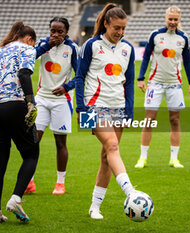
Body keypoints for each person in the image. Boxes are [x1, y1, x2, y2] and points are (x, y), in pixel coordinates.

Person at [75, 3, 138, 219]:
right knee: (112, 145)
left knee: (106, 158)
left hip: (118, 107)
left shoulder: (128, 48)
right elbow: (80, 77)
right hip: (94, 106)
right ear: (106, 24)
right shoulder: (91, 45)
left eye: (123, 28)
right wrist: (80, 108)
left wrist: (129, 111)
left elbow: (129, 82)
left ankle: (95, 207)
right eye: (116, 28)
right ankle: (131, 192)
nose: (120, 32)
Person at [0, 21, 43, 223]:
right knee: (31, 154)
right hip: (15, 104)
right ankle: (16, 198)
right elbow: (24, 74)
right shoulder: (27, 49)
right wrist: (31, 103)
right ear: (29, 39)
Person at [134, 6, 190, 169]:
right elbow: (146, 57)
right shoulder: (155, 35)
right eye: (170, 19)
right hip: (155, 83)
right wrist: (141, 78)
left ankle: (174, 158)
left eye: (176, 19)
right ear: (165, 18)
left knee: (175, 120)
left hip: (175, 85)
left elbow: (187, 62)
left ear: (179, 20)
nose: (173, 22)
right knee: (149, 120)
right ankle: (143, 157)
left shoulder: (184, 38)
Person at [24, 17, 78, 195]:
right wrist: (47, 45)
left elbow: (81, 76)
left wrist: (66, 87)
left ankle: (60, 183)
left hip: (62, 101)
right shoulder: (42, 44)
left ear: (66, 33)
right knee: (33, 141)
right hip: (42, 99)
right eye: (52, 31)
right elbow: (30, 58)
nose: (55, 35)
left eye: (60, 32)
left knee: (60, 143)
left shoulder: (71, 49)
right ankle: (29, 182)